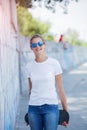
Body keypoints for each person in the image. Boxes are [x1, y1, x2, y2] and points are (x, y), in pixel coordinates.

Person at [26, 34, 69, 130]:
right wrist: (28, 113)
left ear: (44, 45)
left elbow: (60, 89)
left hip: (51, 107)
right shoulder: (29, 66)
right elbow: (31, 90)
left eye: (40, 43)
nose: (37, 46)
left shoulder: (54, 63)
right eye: (34, 45)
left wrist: (66, 113)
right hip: (33, 109)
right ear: (31, 48)